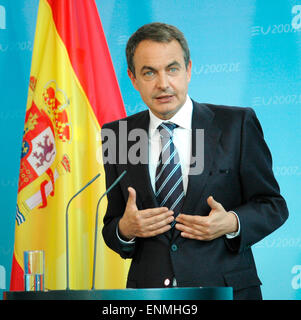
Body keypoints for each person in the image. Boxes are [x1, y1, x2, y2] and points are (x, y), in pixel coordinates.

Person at [101, 22, 288, 300]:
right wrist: (125, 230)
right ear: (133, 78)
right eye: (149, 72)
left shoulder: (235, 124)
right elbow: (113, 225)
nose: (163, 83)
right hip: (149, 296)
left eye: (172, 69)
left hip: (225, 290)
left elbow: (273, 205)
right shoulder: (119, 135)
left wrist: (232, 223)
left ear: (189, 70)